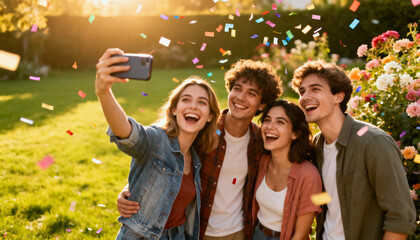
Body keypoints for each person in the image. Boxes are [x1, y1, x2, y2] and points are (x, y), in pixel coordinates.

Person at [117, 59, 283, 240]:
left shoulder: (260, 141)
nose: (240, 97)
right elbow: (166, 157)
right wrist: (129, 189)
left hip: (239, 232)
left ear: (262, 105)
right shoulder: (202, 129)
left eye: (251, 93)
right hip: (198, 231)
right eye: (237, 88)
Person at [96, 48, 221, 240]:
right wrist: (104, 92)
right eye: (186, 100)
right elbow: (128, 133)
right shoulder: (156, 140)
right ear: (173, 110)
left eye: (202, 102)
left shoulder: (197, 158)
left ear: (210, 116)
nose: (193, 106)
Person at [291, 60, 416, 240]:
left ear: (338, 97)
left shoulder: (374, 142)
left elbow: (400, 217)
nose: (304, 97)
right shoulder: (316, 146)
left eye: (315, 89)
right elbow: (329, 199)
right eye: (302, 91)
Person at [251, 99, 322, 240]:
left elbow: (300, 234)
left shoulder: (308, 175)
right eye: (267, 120)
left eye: (280, 122)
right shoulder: (262, 162)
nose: (270, 126)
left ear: (295, 134)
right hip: (256, 234)